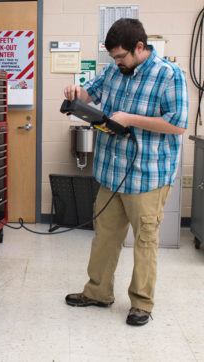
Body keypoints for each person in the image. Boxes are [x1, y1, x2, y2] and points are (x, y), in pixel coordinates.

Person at [63, 18, 188, 326]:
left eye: (120, 56)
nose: (116, 62)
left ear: (140, 48)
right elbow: (88, 95)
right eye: (113, 57)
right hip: (111, 173)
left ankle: (141, 304)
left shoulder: (169, 75)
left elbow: (178, 123)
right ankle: (97, 293)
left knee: (145, 243)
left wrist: (130, 119)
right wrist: (75, 93)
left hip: (148, 177)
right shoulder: (112, 71)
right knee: (104, 237)